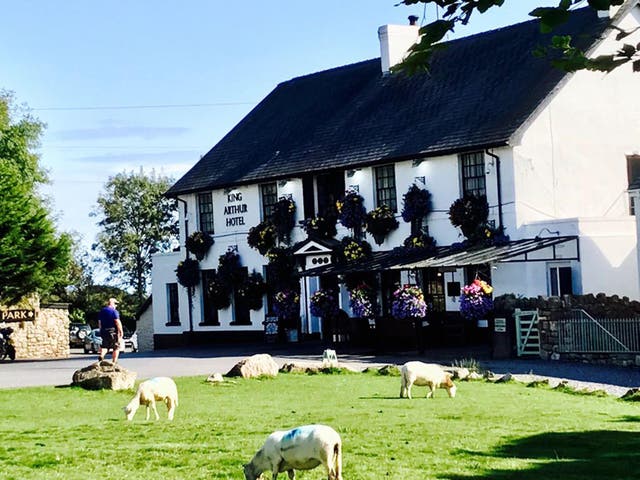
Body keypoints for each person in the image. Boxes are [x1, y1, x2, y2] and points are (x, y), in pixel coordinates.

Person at [98, 297, 123, 363]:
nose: (116, 306)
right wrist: (121, 331)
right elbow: (117, 321)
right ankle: (114, 362)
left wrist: (101, 331)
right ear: (112, 303)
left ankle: (101, 355)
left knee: (105, 346)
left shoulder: (102, 311)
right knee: (116, 347)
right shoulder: (114, 311)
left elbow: (99, 322)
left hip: (104, 331)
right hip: (112, 331)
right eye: (115, 304)